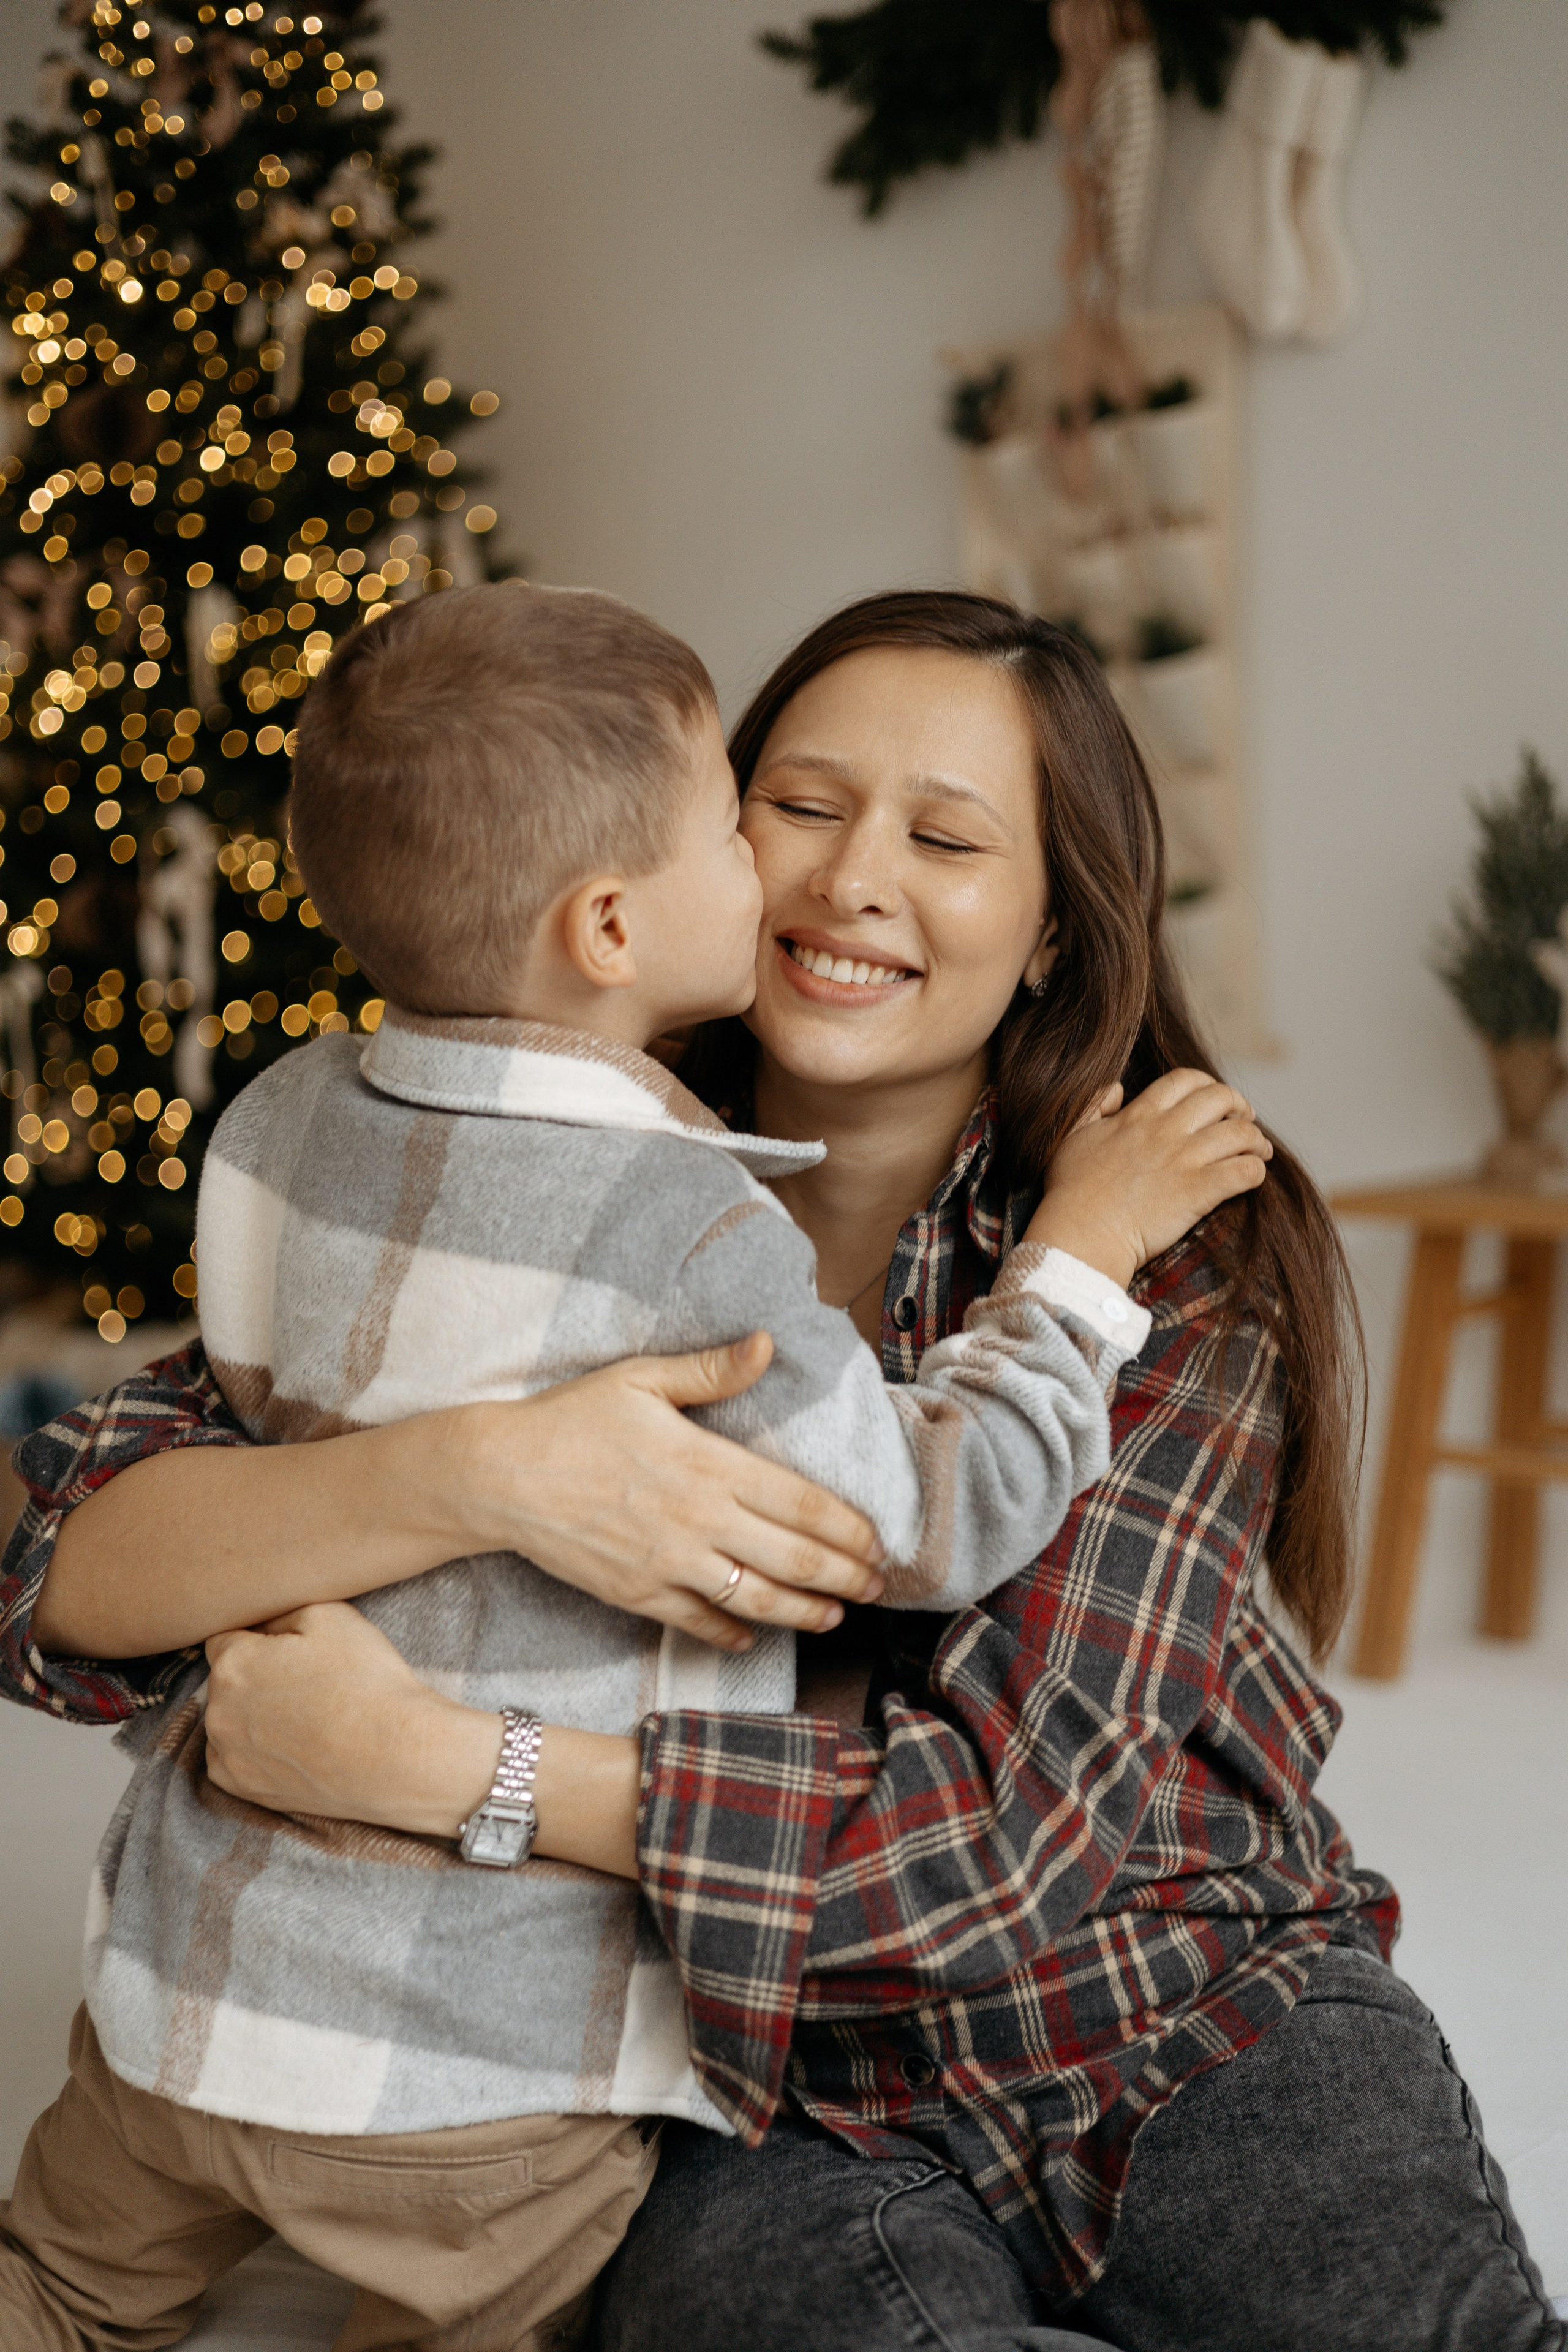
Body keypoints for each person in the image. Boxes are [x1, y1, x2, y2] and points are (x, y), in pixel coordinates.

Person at [6, 592, 1561, 2352]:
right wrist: (483, 1474)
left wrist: (445, 1767)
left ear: (1055, 930)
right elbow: (56, 1549)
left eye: (947, 837)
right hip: (751, 2088)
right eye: (802, 807)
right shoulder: (518, 1159)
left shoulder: (1161, 1250)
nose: (850, 880)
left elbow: (995, 1855)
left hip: (1170, 1994)